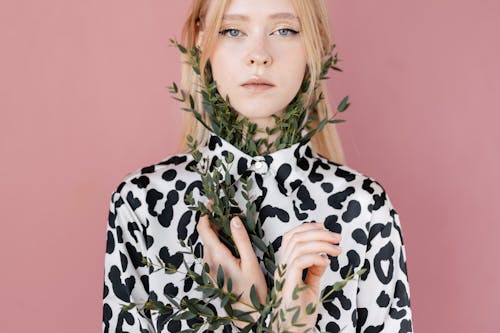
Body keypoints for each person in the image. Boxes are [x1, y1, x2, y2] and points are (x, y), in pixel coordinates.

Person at [102, 0, 414, 332]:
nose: (259, 55)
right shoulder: (142, 205)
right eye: (232, 30)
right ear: (200, 42)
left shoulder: (363, 211)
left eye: (284, 30)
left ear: (315, 45)